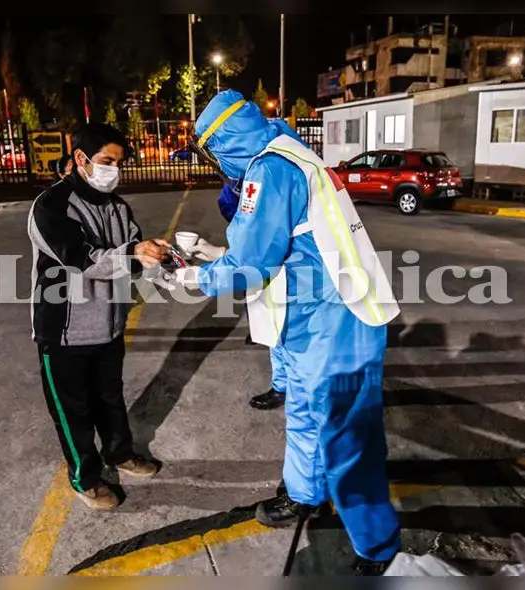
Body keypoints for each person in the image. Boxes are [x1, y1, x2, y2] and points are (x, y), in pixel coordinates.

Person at [177, 91, 402, 575]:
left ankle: (377, 547)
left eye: (211, 151)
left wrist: (192, 277)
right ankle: (304, 494)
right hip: (306, 322)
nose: (214, 162)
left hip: (339, 322)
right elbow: (277, 247)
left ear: (223, 142)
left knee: (348, 440)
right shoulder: (286, 152)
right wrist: (215, 254)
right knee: (302, 415)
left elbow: (252, 266)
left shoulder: (271, 169)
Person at [28, 122, 169, 510]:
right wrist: (132, 254)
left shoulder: (118, 207)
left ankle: (119, 454)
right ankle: (85, 479)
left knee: (110, 399)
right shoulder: (52, 205)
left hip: (108, 324)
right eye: (107, 161)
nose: (114, 170)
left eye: (119, 163)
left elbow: (133, 261)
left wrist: (157, 257)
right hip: (64, 331)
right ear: (80, 159)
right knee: (72, 411)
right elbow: (81, 260)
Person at [216, 181, 288, 411]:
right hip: (261, 260)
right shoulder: (237, 180)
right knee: (274, 328)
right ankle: (282, 387)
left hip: (291, 265)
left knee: (291, 331)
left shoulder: (277, 174)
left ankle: (299, 388)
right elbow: (228, 205)